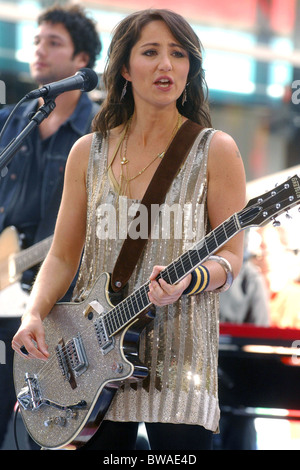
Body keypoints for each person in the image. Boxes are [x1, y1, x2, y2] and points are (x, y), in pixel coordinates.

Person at [12, 9, 246, 451]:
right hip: (90, 361)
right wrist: (34, 314)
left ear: (191, 67)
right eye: (151, 52)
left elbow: (232, 259)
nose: (166, 65)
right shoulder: (88, 152)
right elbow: (62, 255)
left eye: (178, 54)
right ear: (124, 67)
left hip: (182, 364)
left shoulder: (216, 150)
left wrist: (190, 279)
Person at [0, 4, 101, 449]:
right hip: (4, 287)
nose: (39, 51)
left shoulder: (100, 132)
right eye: (37, 41)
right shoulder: (10, 122)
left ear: (83, 60)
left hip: (59, 301)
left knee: (41, 428)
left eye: (53, 42)